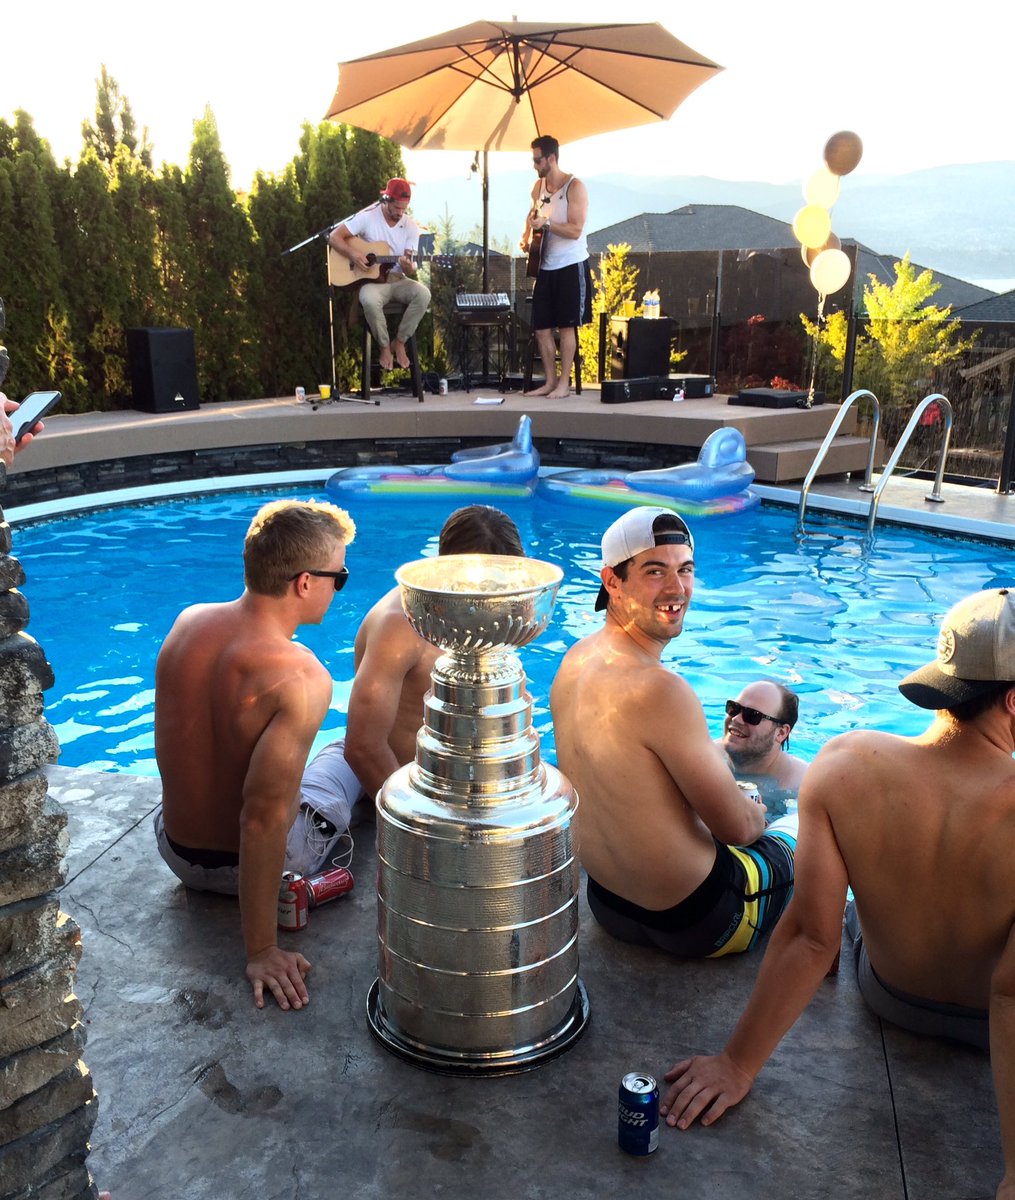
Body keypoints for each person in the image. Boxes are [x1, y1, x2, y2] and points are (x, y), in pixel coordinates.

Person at [660, 587, 1015, 1200]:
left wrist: (736, 1064)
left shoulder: (848, 763)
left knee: (855, 907)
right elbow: (1011, 995)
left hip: (892, 997)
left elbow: (810, 935)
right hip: (990, 1027)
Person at [550, 506, 797, 958]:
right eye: (654, 571)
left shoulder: (574, 661)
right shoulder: (662, 691)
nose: (676, 588)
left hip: (608, 903)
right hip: (701, 919)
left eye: (685, 570)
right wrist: (759, 813)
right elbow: (738, 828)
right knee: (802, 823)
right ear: (612, 581)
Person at [153, 499, 358, 1013]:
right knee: (350, 754)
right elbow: (262, 819)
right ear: (305, 582)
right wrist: (262, 950)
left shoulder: (188, 622)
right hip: (242, 872)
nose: (339, 587)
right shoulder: (302, 677)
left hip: (174, 851)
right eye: (341, 575)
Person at [344, 505, 525, 805]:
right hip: (416, 796)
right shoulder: (400, 625)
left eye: (501, 585)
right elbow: (363, 747)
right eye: (478, 585)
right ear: (444, 569)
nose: (489, 596)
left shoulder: (499, 610)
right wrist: (417, 824)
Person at [326, 177, 430, 372]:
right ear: (386, 200)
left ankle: (399, 342)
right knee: (369, 299)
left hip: (398, 280)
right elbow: (334, 237)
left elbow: (411, 267)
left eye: (404, 208)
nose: (400, 212)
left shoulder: (409, 226)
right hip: (372, 282)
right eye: (397, 207)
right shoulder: (367, 217)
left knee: (423, 294)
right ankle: (384, 347)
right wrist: (354, 255)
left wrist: (408, 267)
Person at [520, 136, 591, 400]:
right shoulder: (537, 187)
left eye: (537, 159)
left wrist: (546, 225)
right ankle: (550, 381)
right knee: (541, 327)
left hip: (571, 265)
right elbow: (532, 217)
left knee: (566, 327)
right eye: (533, 159)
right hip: (545, 265)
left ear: (551, 158)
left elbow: (575, 230)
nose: (534, 164)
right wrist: (527, 238)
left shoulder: (575, 187)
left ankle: (564, 383)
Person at [718, 681, 808, 808]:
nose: (736, 719)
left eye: (752, 715)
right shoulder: (704, 757)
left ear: (781, 733)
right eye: (734, 708)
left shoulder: (801, 786)